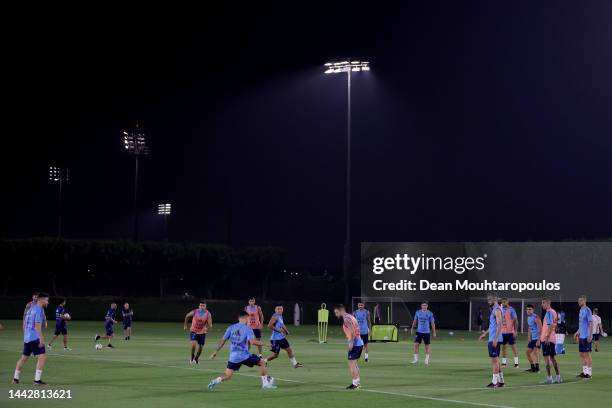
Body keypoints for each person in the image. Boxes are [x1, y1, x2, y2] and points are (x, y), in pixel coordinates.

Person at [207, 311, 277, 390]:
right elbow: (252, 342)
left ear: (239, 318)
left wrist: (215, 352)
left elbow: (222, 341)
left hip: (233, 357)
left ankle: (216, 380)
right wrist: (266, 344)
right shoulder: (247, 329)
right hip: (244, 356)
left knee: (228, 376)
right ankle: (265, 384)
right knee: (262, 362)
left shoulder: (231, 328)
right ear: (246, 318)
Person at [13, 292, 49, 385]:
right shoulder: (38, 309)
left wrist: (26, 335)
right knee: (42, 357)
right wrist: (41, 338)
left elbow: (25, 321)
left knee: (24, 358)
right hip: (34, 337)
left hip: (27, 337)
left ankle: (15, 378)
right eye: (46, 300)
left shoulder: (31, 308)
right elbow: (37, 325)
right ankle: (37, 380)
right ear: (41, 299)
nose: (47, 302)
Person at [334, 304, 364, 389]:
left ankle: (355, 384)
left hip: (355, 343)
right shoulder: (351, 316)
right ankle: (357, 383)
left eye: (336, 312)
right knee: (355, 364)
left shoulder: (346, 319)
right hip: (359, 342)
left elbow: (353, 332)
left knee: (352, 364)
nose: (336, 314)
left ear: (341, 311)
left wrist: (351, 343)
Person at [479, 294, 505, 388]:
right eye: (488, 299)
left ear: (495, 299)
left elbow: (499, 325)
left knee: (494, 361)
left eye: (489, 299)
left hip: (495, 339)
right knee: (496, 360)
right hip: (493, 338)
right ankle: (501, 381)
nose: (488, 301)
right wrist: (485, 334)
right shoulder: (494, 310)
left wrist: (495, 339)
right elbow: (492, 326)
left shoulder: (497, 310)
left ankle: (494, 382)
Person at [540, 298, 562, 384]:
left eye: (543, 303)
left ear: (548, 303)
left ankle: (549, 378)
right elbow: (554, 325)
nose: (542, 304)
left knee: (547, 359)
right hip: (552, 338)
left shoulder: (549, 312)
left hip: (547, 339)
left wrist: (546, 337)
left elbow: (549, 326)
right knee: (553, 358)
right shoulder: (554, 312)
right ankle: (558, 377)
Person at [410, 301, 436, 366]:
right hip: (419, 332)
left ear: (427, 306)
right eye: (423, 305)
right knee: (416, 345)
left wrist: (434, 332)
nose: (424, 306)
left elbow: (432, 323)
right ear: (421, 306)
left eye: (425, 305)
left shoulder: (430, 313)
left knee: (427, 346)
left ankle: (426, 361)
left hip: (426, 332)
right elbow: (415, 321)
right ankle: (416, 360)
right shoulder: (418, 312)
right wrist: (412, 328)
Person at [573, 295, 593, 379]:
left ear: (585, 300)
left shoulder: (587, 310)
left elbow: (591, 323)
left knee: (587, 354)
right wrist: (577, 332)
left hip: (586, 335)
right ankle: (584, 372)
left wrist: (590, 335)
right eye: (578, 300)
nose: (579, 302)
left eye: (581, 300)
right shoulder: (580, 310)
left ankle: (589, 373)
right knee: (581, 354)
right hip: (581, 336)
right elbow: (581, 324)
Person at [500, 298, 519, 368]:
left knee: (513, 347)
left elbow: (516, 320)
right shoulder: (500, 309)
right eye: (502, 302)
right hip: (502, 332)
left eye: (504, 302)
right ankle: (504, 363)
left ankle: (516, 363)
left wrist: (515, 330)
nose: (503, 303)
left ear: (507, 302)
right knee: (503, 347)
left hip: (510, 332)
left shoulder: (511, 310)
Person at [524, 304, 541, 372]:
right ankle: (533, 367)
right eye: (527, 309)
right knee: (527, 352)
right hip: (532, 338)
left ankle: (536, 368)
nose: (528, 311)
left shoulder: (536, 317)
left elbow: (541, 329)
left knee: (535, 353)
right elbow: (530, 328)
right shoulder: (528, 318)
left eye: (530, 309)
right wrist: (529, 338)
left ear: (533, 310)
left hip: (537, 338)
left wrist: (539, 340)